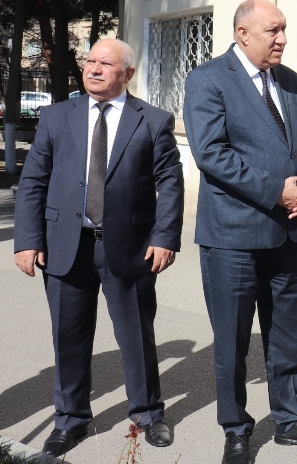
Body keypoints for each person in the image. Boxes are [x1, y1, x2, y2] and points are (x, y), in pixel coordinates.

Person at [14, 39, 184, 457]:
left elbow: (171, 183)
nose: (93, 69)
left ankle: (147, 413)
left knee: (137, 336)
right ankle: (70, 419)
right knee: (68, 337)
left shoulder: (154, 120)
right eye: (90, 60)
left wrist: (164, 237)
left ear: (126, 73)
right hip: (63, 247)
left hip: (129, 248)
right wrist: (27, 239)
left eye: (105, 64)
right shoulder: (56, 116)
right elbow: (34, 180)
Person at [183, 0, 297, 464]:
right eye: (274, 30)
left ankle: (289, 418)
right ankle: (236, 427)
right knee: (232, 339)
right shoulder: (208, 80)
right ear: (243, 33)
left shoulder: (289, 81)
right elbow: (211, 154)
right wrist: (277, 191)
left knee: (284, 334)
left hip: (286, 234)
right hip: (233, 237)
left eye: (284, 29)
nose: (283, 38)